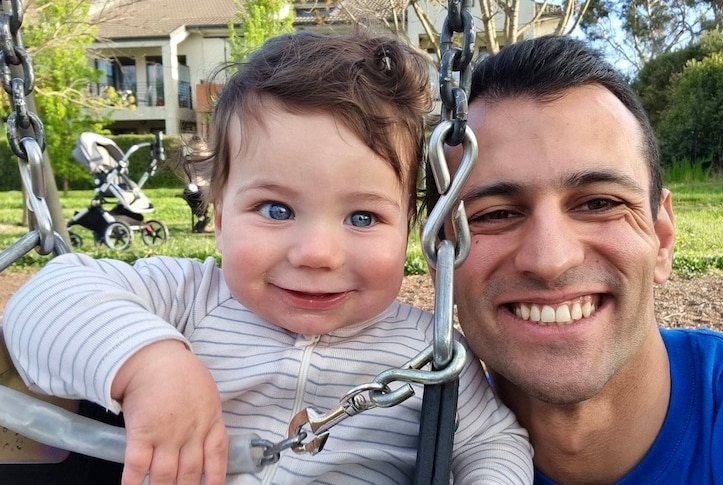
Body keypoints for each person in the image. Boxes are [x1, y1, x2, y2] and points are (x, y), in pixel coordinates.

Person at [2, 32, 532, 485]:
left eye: (363, 218)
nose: (316, 253)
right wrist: (152, 364)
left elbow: (493, 442)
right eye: (275, 209)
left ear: (415, 232)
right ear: (220, 216)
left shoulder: (428, 349)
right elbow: (47, 298)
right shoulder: (187, 296)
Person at [427, 35, 723, 484]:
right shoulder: (386, 448)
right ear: (437, 258)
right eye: (495, 213)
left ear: (662, 237)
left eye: (598, 204)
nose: (550, 259)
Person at [177, 134, 212, 233]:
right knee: (189, 193)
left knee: (193, 194)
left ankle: (202, 218)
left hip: (207, 186)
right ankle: (202, 217)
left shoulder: (208, 157)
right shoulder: (190, 158)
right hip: (196, 186)